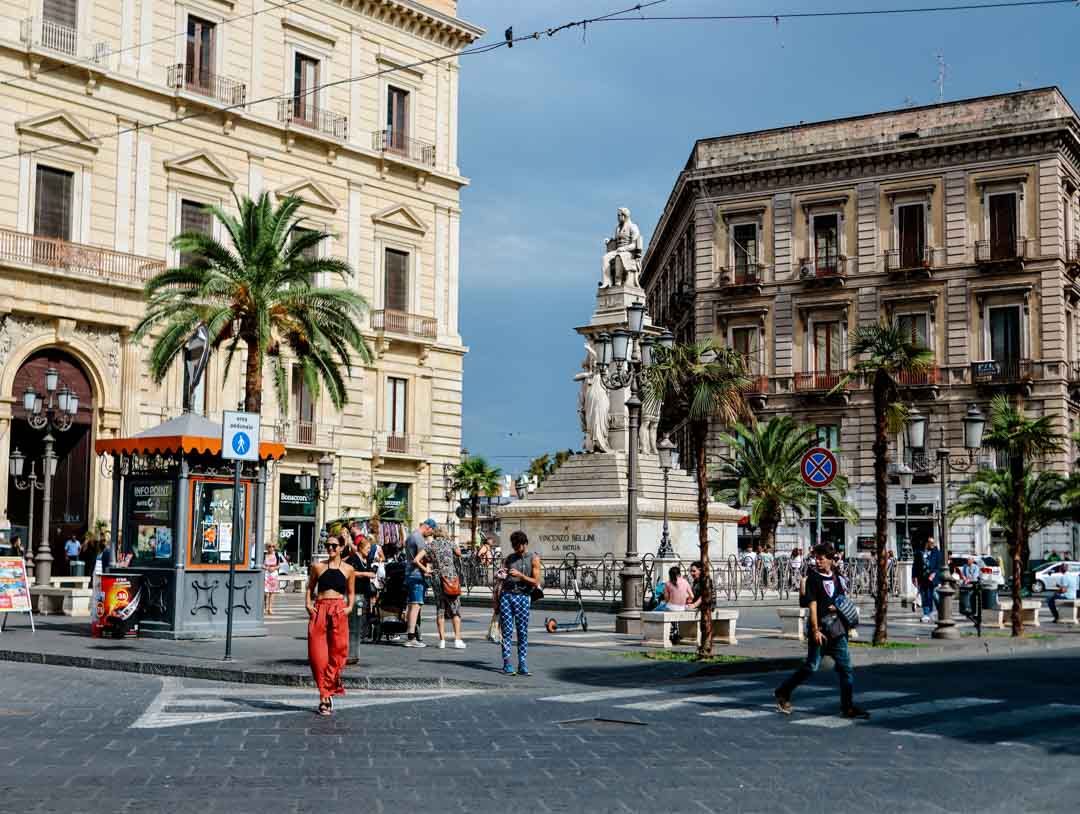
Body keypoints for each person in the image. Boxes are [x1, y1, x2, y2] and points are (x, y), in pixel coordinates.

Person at [774, 543, 869, 720]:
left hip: (837, 630)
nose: (817, 561)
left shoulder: (837, 578)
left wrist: (842, 616)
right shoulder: (813, 579)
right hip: (821, 631)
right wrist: (815, 630)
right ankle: (783, 692)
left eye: (821, 558)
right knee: (811, 666)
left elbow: (840, 600)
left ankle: (847, 707)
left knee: (846, 668)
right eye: (816, 558)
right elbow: (813, 606)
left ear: (831, 560)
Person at [305, 536, 356, 716]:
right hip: (319, 610)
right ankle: (324, 696)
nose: (330, 548)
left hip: (338, 610)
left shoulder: (349, 569)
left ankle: (328, 689)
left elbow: (351, 593)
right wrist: (308, 605)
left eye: (334, 546)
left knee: (338, 653)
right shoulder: (318, 567)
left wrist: (348, 608)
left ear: (341, 547)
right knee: (317, 656)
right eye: (328, 545)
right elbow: (310, 588)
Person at [499, 530, 542, 676]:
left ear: (524, 544)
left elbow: (536, 581)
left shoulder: (533, 558)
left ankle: (522, 663)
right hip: (506, 595)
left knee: (522, 631)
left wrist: (521, 575)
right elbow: (502, 577)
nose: (516, 548)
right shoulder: (509, 558)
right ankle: (506, 662)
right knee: (507, 630)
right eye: (514, 545)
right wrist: (500, 575)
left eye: (518, 545)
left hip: (523, 596)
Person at [428, 530, 466, 649]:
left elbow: (417, 559)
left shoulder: (431, 545)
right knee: (455, 609)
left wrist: (427, 570)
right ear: (445, 534)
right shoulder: (450, 543)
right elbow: (459, 553)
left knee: (440, 608)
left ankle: (442, 641)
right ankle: (457, 640)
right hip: (450, 578)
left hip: (437, 578)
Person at [403, 519, 437, 647]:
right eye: (431, 531)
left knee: (412, 605)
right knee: (415, 605)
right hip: (417, 575)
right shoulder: (419, 539)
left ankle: (411, 634)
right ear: (428, 527)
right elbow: (418, 560)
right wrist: (426, 570)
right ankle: (411, 638)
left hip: (410, 574)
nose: (430, 534)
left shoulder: (411, 536)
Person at [915, 538, 942, 623]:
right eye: (931, 542)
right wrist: (913, 576)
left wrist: (934, 573)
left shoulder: (937, 553)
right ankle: (927, 614)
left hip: (933, 579)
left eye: (933, 542)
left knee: (933, 595)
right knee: (924, 597)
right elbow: (915, 565)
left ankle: (941, 610)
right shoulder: (919, 552)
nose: (932, 544)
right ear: (926, 543)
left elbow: (939, 565)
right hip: (922, 578)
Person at [263, 542, 282, 615]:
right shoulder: (264, 555)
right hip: (267, 574)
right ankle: (265, 608)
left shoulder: (277, 555)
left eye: (273, 546)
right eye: (270, 546)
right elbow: (261, 565)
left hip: (274, 574)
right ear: (267, 547)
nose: (271, 548)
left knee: (272, 592)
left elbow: (279, 565)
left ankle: (270, 608)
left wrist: (274, 568)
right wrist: (267, 568)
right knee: (266, 593)